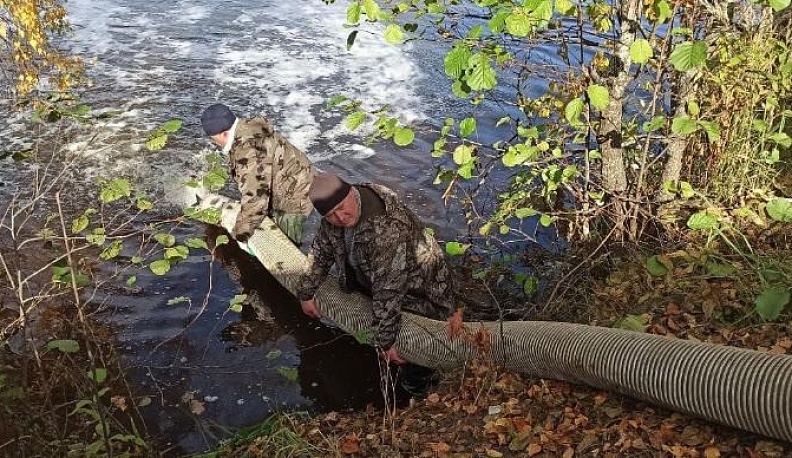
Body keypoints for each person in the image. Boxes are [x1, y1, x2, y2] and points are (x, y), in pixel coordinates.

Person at [296, 172, 457, 366]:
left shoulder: (385, 229)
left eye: (341, 207)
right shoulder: (338, 214)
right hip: (380, 281)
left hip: (422, 295)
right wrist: (305, 294)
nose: (339, 217)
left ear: (351, 193)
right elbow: (320, 252)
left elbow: (389, 289)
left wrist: (385, 344)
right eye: (330, 215)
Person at [200, 103, 315, 245]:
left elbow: (255, 197)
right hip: (298, 177)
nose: (213, 142)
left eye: (213, 138)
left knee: (284, 243)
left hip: (296, 194)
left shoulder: (247, 151)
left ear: (223, 133)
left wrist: (240, 235)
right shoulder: (248, 129)